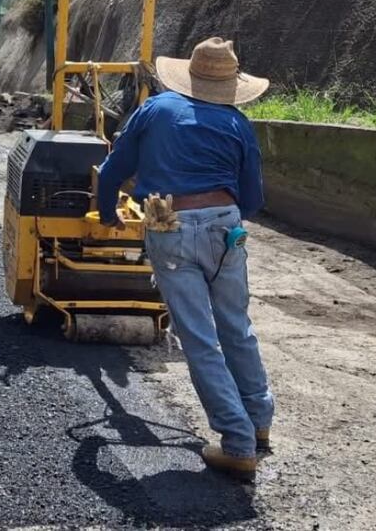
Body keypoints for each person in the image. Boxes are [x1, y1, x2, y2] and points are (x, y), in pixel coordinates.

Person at [97, 37, 274, 479]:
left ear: (187, 75)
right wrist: (221, 219)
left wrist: (106, 214)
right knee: (237, 326)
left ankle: (237, 444)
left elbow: (115, 168)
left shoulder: (156, 110)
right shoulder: (237, 122)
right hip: (227, 228)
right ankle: (259, 422)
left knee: (199, 338)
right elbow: (252, 197)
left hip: (171, 226)